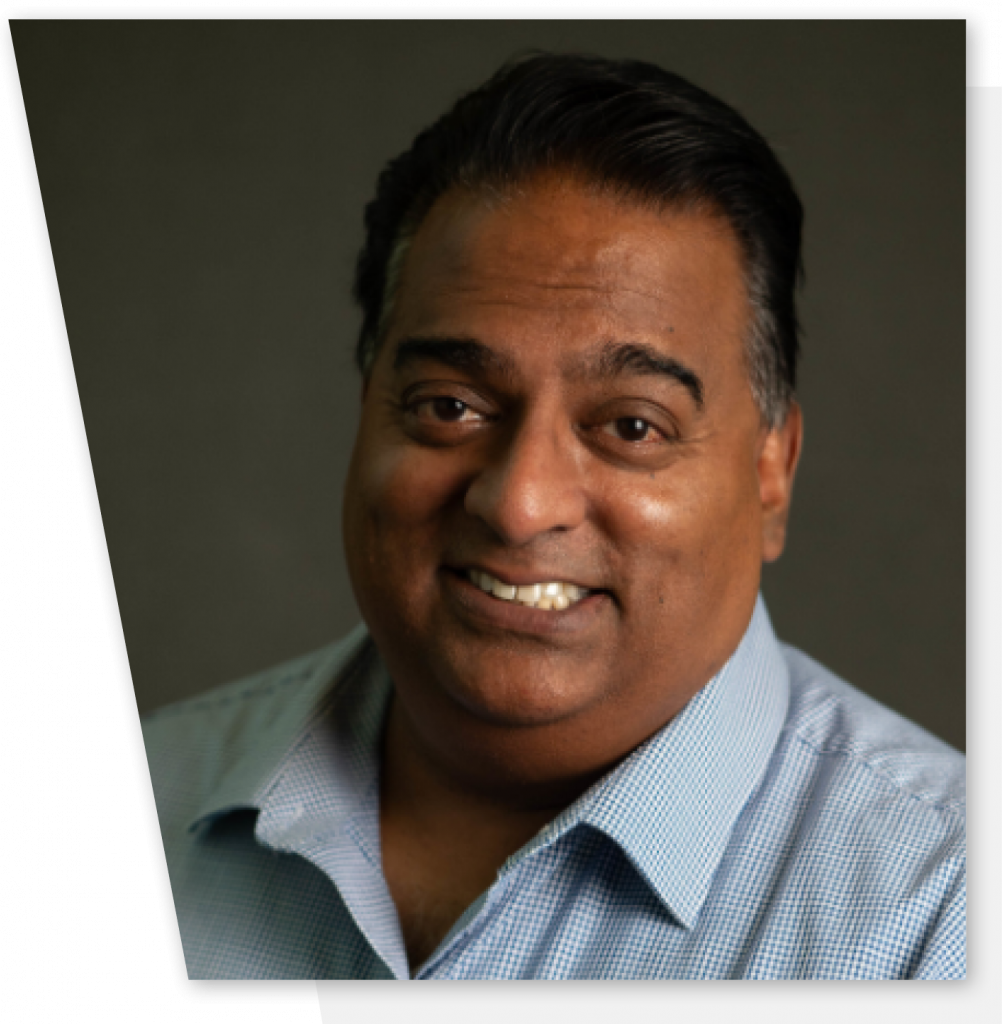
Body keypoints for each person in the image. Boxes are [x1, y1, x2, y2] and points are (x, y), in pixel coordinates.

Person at [141, 53, 965, 980]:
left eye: (631, 426)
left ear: (771, 470)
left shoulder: (950, 916)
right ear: (368, 407)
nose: (519, 503)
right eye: (450, 405)